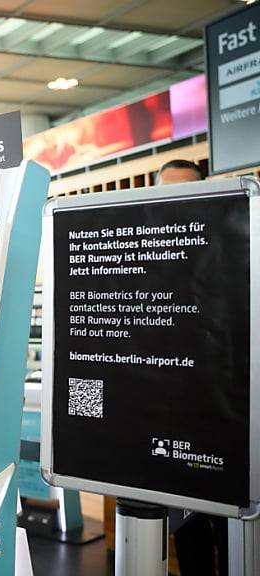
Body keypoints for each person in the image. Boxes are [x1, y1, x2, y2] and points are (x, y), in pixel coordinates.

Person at [154, 158, 226, 576]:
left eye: (189, 191)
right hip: (175, 421)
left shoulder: (232, 250)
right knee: (189, 529)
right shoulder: (148, 255)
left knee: (235, 531)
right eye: (170, 191)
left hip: (227, 418)